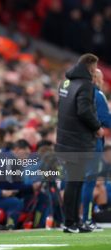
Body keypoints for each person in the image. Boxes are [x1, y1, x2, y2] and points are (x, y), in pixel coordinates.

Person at [56, 53, 104, 233]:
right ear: (90, 67)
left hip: (64, 139)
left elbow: (63, 109)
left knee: (73, 181)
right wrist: (97, 127)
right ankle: (70, 222)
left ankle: (74, 221)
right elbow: (84, 111)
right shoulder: (86, 85)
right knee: (75, 182)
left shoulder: (66, 82)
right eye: (94, 68)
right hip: (78, 141)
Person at [81, 68, 111, 230]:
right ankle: (86, 218)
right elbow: (106, 120)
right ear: (95, 79)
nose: (103, 81)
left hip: (80, 142)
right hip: (93, 142)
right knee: (90, 182)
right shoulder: (97, 95)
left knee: (82, 182)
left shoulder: (79, 93)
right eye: (100, 78)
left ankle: (78, 218)